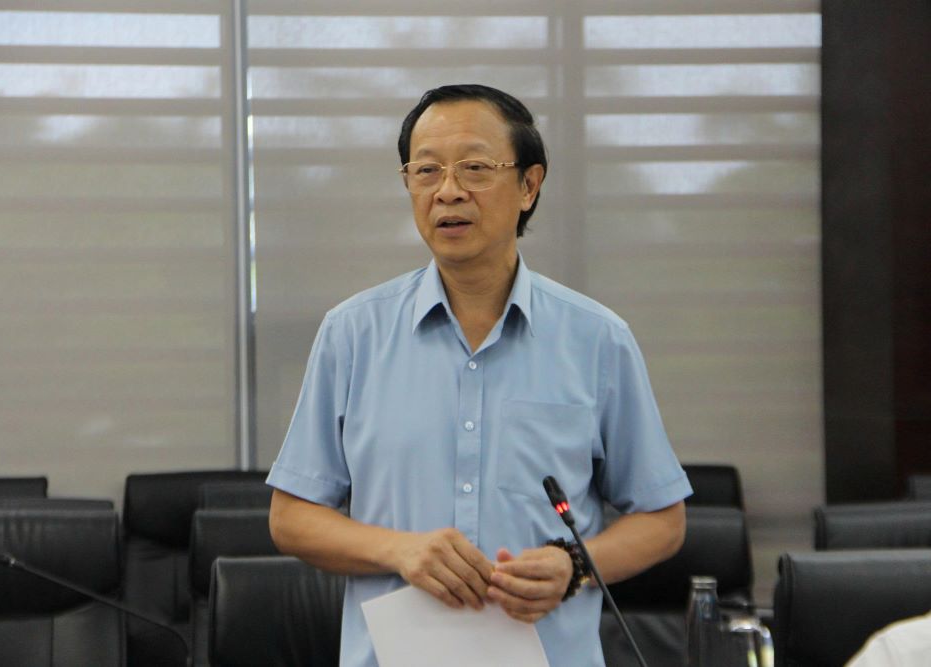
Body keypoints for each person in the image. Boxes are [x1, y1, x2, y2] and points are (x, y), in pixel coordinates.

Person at [266, 83, 691, 667]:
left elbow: (662, 520)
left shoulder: (596, 339)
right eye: (426, 170)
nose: (447, 191)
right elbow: (292, 519)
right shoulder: (352, 334)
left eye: (474, 167)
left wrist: (575, 565)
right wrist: (400, 550)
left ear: (528, 185)